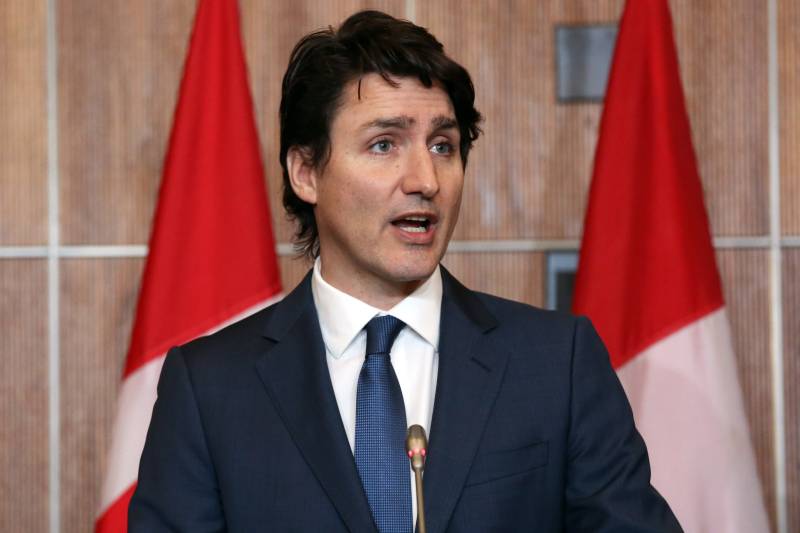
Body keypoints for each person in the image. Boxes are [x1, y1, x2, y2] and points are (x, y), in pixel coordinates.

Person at [130, 10, 682, 532]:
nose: (425, 179)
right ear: (305, 172)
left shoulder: (557, 363)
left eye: (443, 145)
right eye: (384, 144)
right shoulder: (210, 388)